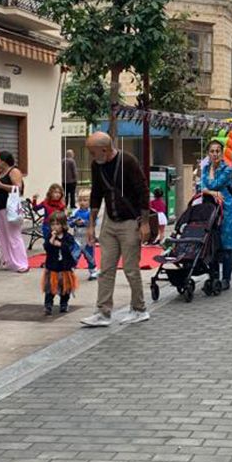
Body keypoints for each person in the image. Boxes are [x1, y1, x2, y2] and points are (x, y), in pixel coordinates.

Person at [81, 132, 150, 327]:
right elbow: (96, 194)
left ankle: (139, 309)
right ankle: (103, 312)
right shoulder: (97, 165)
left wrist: (144, 223)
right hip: (110, 222)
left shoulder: (127, 161)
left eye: (93, 152)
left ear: (104, 149)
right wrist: (92, 224)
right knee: (106, 269)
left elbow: (143, 191)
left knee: (130, 268)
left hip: (130, 222)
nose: (91, 157)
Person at [198, 140, 232, 291]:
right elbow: (202, 187)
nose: (215, 154)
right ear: (208, 154)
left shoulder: (227, 170)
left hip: (226, 210)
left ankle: (226, 279)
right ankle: (214, 276)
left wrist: (209, 189)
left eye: (217, 151)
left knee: (227, 245)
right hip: (210, 209)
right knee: (212, 244)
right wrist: (211, 192)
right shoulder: (204, 168)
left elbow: (214, 184)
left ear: (222, 153)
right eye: (212, 151)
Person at [0, 151, 28, 273]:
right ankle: (8, 261)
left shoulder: (14, 171)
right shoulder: (0, 173)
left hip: (10, 209)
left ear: (4, 161)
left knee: (13, 236)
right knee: (3, 236)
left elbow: (18, 188)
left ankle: (22, 263)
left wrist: (1, 186)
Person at [41, 212, 78, 314]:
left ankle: (64, 304)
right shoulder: (49, 236)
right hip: (52, 267)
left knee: (65, 289)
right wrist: (51, 239)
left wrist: (59, 244)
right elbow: (46, 247)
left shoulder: (68, 237)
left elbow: (69, 248)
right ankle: (48, 305)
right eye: (52, 224)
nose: (55, 227)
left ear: (63, 225)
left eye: (57, 224)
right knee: (50, 289)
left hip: (64, 267)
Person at [69, 192, 97, 279]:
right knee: (74, 254)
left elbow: (94, 223)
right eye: (80, 200)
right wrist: (74, 222)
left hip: (87, 238)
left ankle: (93, 271)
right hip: (77, 237)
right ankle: (71, 269)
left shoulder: (90, 212)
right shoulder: (75, 212)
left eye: (85, 200)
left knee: (89, 256)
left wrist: (85, 222)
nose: (82, 202)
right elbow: (69, 223)